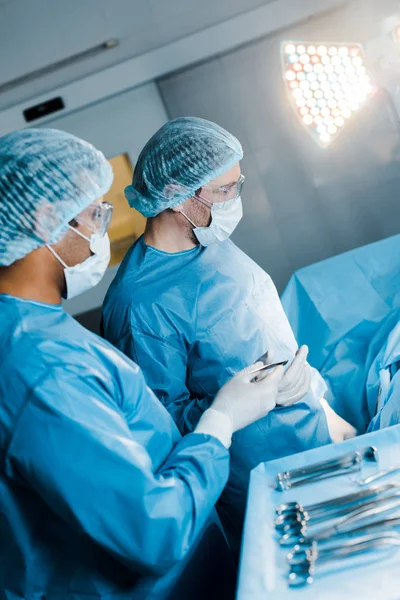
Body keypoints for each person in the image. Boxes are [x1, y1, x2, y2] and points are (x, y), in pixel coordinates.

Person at [0, 128, 296, 600]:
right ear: (44, 218)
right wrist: (220, 421)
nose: (102, 225)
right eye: (95, 211)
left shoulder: (38, 328)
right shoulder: (39, 367)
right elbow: (151, 531)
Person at [101, 117, 355, 550]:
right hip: (261, 479)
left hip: (314, 432)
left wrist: (316, 398)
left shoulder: (210, 240)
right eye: (223, 191)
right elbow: (160, 427)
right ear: (173, 196)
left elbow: (256, 333)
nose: (235, 200)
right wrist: (252, 398)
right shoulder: (138, 305)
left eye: (238, 184)